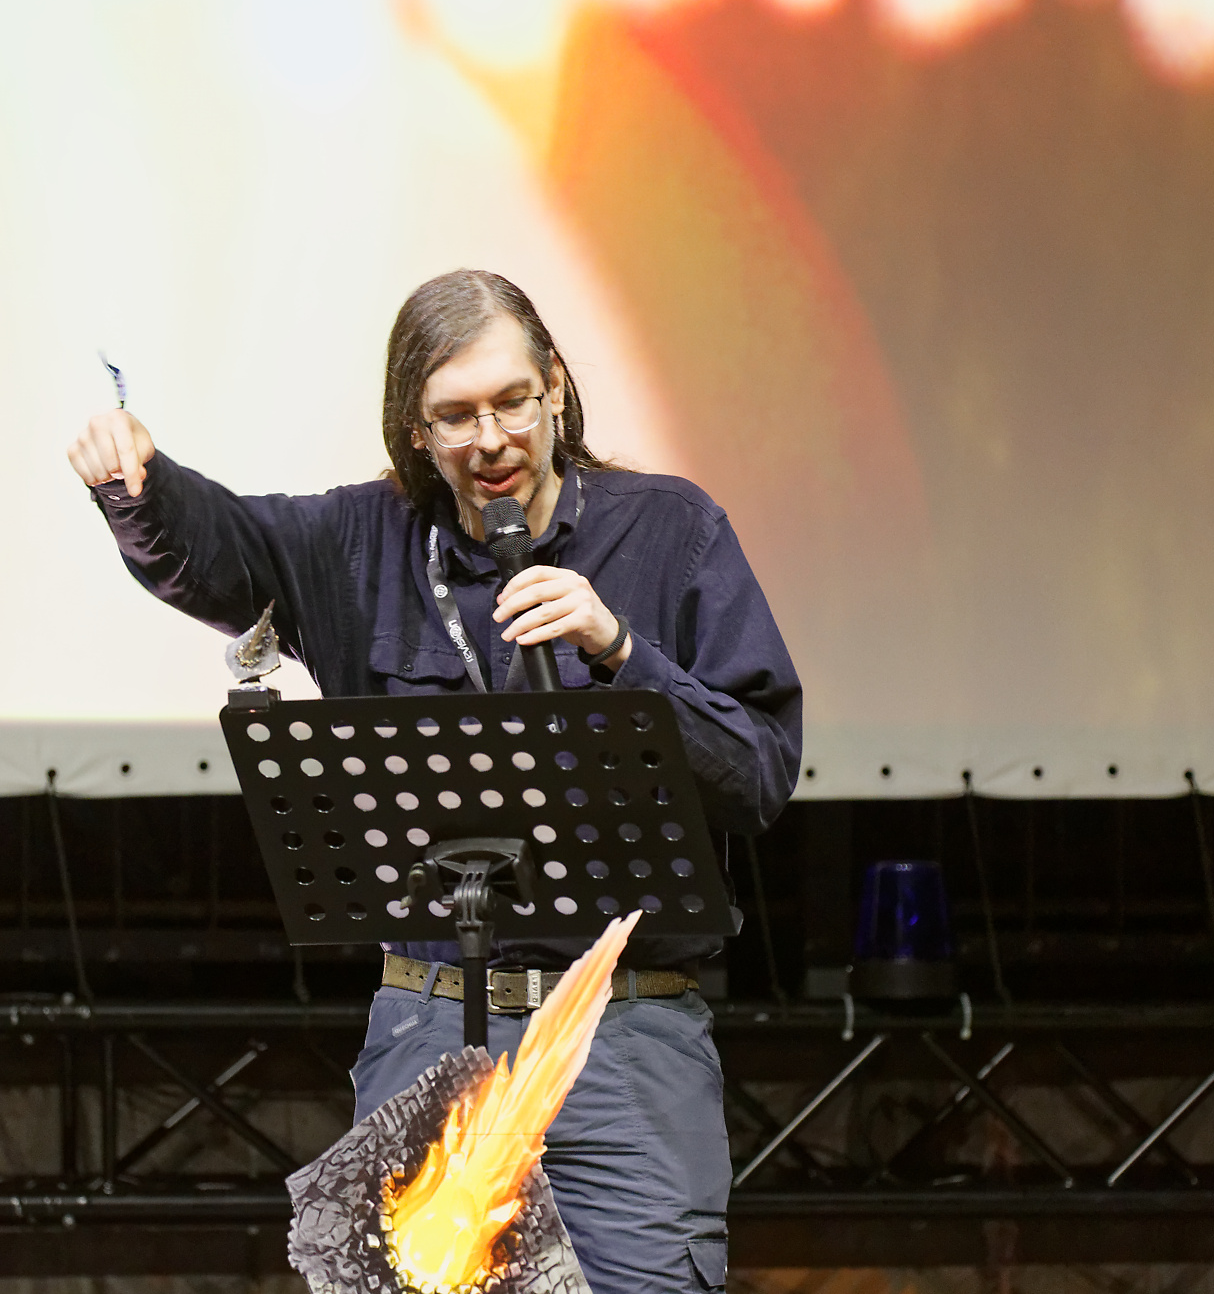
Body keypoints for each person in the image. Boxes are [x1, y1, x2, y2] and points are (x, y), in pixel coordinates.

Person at [68, 269, 802, 1294]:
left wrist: (620, 648)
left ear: (555, 386)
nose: (490, 439)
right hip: (429, 1023)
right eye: (455, 416)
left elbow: (759, 771)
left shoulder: (672, 531)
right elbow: (219, 549)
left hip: (624, 1040)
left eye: (512, 402)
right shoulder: (360, 541)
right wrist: (137, 488)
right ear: (414, 429)